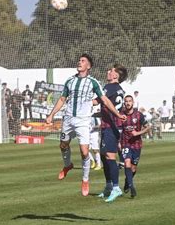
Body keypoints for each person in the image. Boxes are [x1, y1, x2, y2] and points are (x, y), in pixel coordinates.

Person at [46, 53, 124, 197]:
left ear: (88, 66)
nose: (79, 62)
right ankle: (68, 165)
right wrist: (51, 114)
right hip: (68, 118)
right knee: (63, 145)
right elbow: (62, 99)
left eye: (83, 61)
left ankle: (85, 179)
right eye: (79, 60)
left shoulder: (93, 82)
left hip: (83, 121)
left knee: (84, 151)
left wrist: (118, 114)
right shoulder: (69, 81)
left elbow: (105, 100)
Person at [95, 64, 128, 203]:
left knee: (109, 155)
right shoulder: (120, 89)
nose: (108, 72)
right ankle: (109, 185)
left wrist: (82, 103)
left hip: (110, 126)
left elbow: (102, 101)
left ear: (115, 76)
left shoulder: (109, 87)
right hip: (112, 125)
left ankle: (115, 187)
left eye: (111, 71)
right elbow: (109, 105)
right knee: (104, 155)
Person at [117, 95, 150, 198]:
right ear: (124, 103)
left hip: (137, 144)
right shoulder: (121, 115)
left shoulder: (139, 115)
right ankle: (131, 187)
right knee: (127, 163)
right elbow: (118, 130)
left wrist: (138, 133)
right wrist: (118, 142)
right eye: (126, 101)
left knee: (133, 168)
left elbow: (148, 127)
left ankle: (128, 181)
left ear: (133, 102)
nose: (128, 103)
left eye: (129, 101)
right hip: (125, 143)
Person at [88, 104, 102, 171]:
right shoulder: (84, 115)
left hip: (94, 133)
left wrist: (93, 128)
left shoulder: (94, 115)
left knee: (95, 149)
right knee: (85, 149)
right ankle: (92, 161)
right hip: (87, 134)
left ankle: (99, 164)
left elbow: (99, 125)